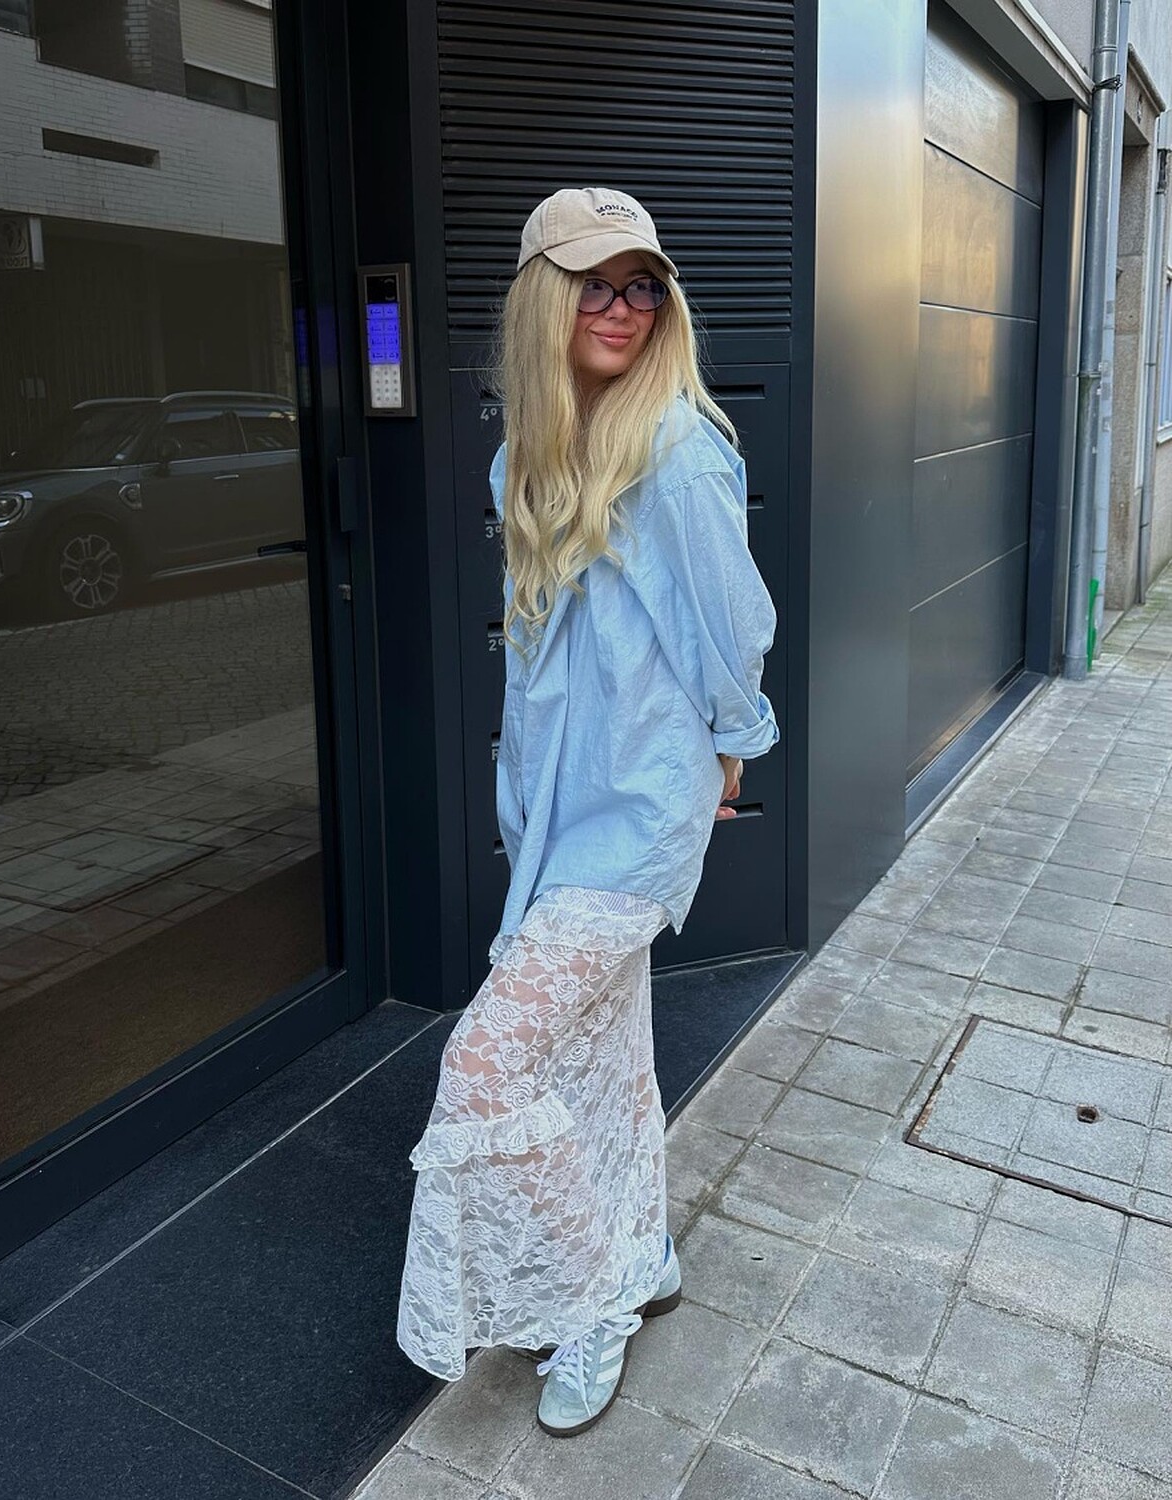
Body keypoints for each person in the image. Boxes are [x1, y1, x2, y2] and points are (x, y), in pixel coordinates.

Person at [396, 186, 779, 1437]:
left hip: (638, 819)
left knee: (487, 1061)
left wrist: (733, 748)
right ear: (542, 299)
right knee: (605, 1060)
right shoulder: (531, 450)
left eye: (642, 285)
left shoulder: (676, 449)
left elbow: (733, 626)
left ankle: (597, 1299)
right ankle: (642, 1253)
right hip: (557, 817)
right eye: (594, 283)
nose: (622, 307)